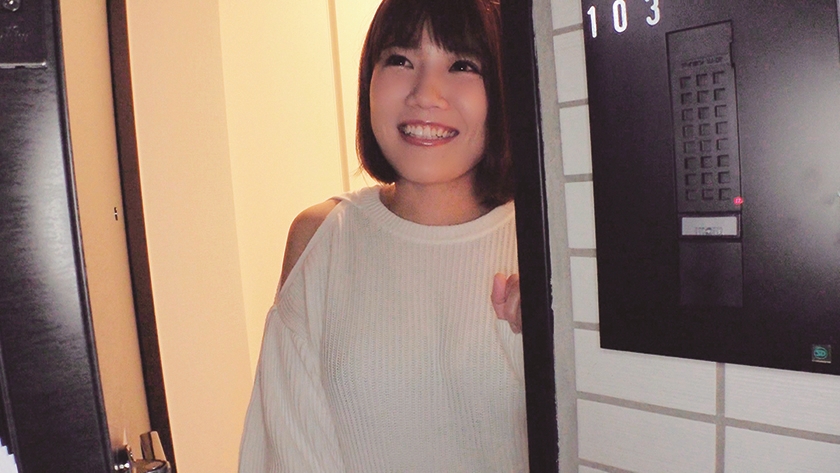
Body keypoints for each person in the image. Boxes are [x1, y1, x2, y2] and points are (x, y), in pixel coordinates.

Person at [238, 0, 526, 470]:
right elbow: (289, 450)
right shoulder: (322, 238)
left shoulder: (551, 245)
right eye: (400, 60)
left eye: (462, 65)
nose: (426, 94)